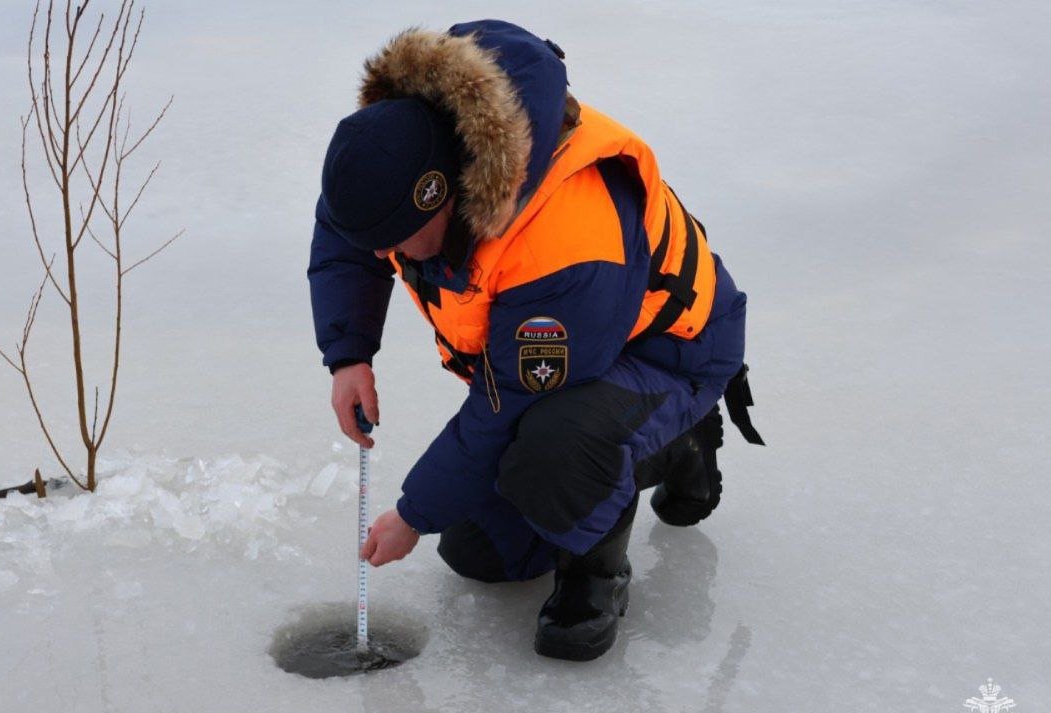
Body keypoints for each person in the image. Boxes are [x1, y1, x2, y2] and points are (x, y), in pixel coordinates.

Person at [308, 20, 762, 661]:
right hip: (575, 354)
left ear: (444, 199)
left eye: (398, 241)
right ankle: (641, 451)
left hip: (673, 351)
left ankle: (599, 566)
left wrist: (412, 514)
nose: (389, 257)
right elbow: (344, 236)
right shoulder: (398, 148)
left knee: (553, 446)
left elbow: (508, 404)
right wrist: (348, 354)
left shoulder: (563, 241)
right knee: (480, 553)